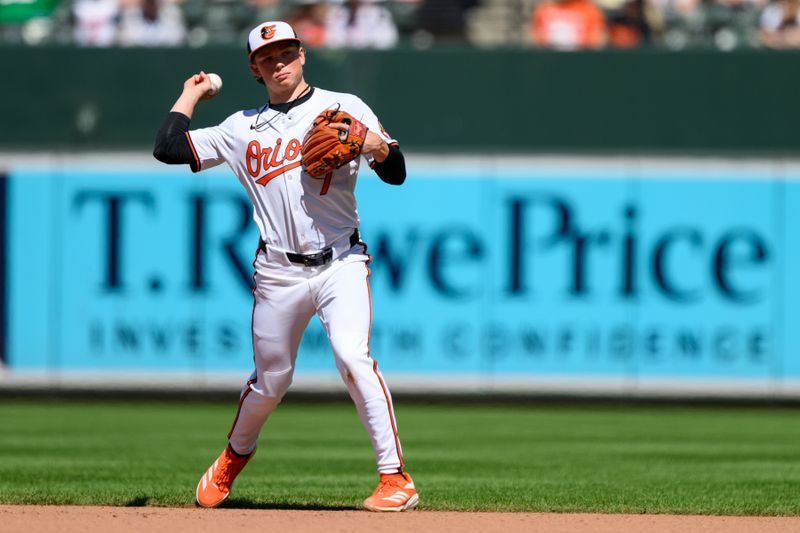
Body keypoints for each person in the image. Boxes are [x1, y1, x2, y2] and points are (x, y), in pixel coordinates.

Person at [152, 20, 417, 512]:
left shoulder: (345, 106)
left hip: (341, 261)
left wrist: (375, 145)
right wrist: (189, 95)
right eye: (267, 58)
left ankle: (394, 478)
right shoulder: (239, 128)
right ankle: (234, 454)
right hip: (277, 271)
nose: (280, 63)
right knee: (271, 381)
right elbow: (167, 148)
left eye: (287, 52)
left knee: (352, 356)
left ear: (302, 54)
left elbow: (396, 173)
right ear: (254, 68)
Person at [529, 0, 608, 50]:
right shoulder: (544, 10)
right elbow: (536, 39)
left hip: (581, 61)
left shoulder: (590, 10)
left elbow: (594, 41)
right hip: (549, 62)